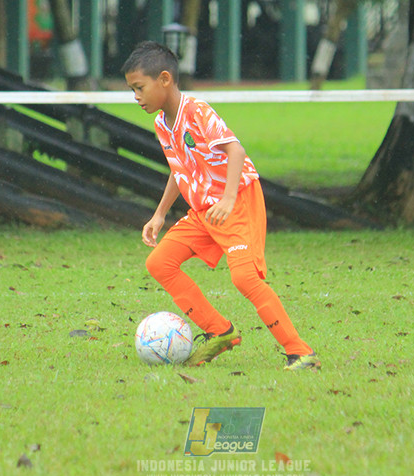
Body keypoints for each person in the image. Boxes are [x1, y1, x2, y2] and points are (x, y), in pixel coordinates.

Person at [122, 41, 319, 371]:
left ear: (165, 79)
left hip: (236, 201)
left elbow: (235, 151)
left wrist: (227, 199)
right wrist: (159, 214)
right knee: (160, 263)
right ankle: (220, 331)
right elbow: (179, 168)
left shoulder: (197, 111)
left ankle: (300, 352)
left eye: (139, 88)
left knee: (244, 278)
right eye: (132, 90)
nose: (136, 97)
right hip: (204, 212)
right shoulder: (162, 124)